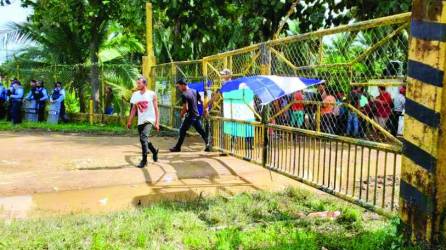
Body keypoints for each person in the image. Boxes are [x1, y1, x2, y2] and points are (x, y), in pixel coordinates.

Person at [127, 76, 160, 168]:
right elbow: (133, 109)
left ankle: (144, 160)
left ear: (145, 84)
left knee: (143, 137)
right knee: (144, 140)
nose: (137, 85)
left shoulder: (152, 94)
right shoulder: (135, 95)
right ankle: (154, 151)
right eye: (137, 83)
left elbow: (156, 109)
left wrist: (157, 122)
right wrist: (130, 121)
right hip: (140, 120)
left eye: (139, 83)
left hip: (150, 119)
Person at [170, 79, 210, 152]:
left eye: (179, 87)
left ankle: (177, 147)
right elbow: (201, 101)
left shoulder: (184, 94)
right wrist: (205, 108)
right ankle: (208, 144)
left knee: (182, 131)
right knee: (201, 131)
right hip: (196, 114)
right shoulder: (194, 91)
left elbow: (186, 107)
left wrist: (181, 114)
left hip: (190, 116)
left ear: (183, 85)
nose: (179, 88)